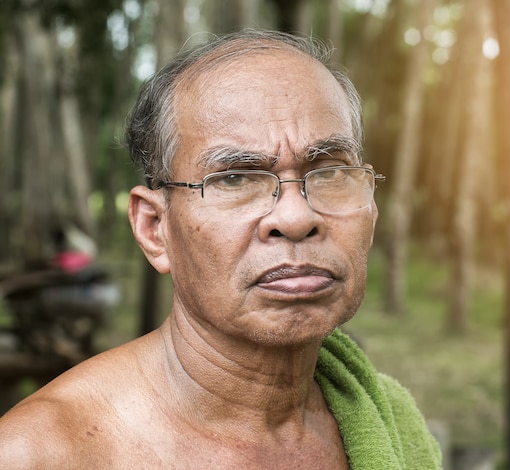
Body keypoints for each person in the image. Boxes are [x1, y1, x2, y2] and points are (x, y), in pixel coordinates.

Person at [0, 29, 441, 469]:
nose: (295, 218)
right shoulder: (42, 453)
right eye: (235, 178)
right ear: (155, 229)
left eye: (329, 172)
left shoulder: (389, 420)